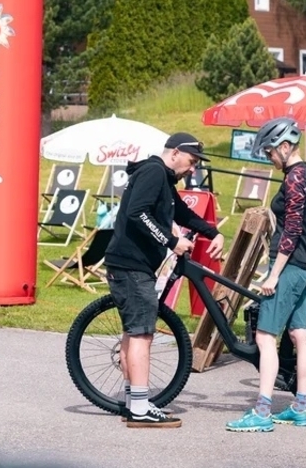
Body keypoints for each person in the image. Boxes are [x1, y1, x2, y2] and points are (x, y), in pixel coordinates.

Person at [105, 132, 225, 429]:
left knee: (135, 333)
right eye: (192, 161)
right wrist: (171, 241)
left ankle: (136, 404)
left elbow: (183, 212)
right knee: (143, 334)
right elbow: (137, 213)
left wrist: (212, 232)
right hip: (131, 265)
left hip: (133, 265)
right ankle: (141, 409)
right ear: (175, 154)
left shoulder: (162, 177)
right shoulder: (154, 172)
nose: (193, 168)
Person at [226, 117, 306, 433]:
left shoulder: (293, 178)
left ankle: (262, 413)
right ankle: (299, 409)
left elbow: (290, 229)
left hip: (288, 267)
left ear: (285, 147)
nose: (268, 158)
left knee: (265, 336)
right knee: (299, 334)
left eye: (270, 152)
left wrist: (273, 275)